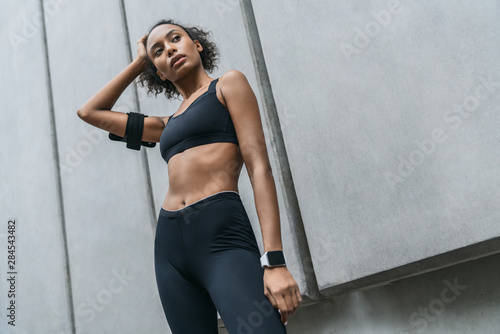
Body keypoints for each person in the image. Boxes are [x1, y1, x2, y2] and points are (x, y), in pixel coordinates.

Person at [77, 18, 302, 333]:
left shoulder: (227, 85)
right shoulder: (166, 125)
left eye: (175, 39)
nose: (169, 49)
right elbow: (90, 113)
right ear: (158, 71)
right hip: (170, 247)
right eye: (158, 50)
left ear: (196, 45)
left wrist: (274, 261)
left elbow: (258, 165)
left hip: (221, 235)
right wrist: (138, 62)